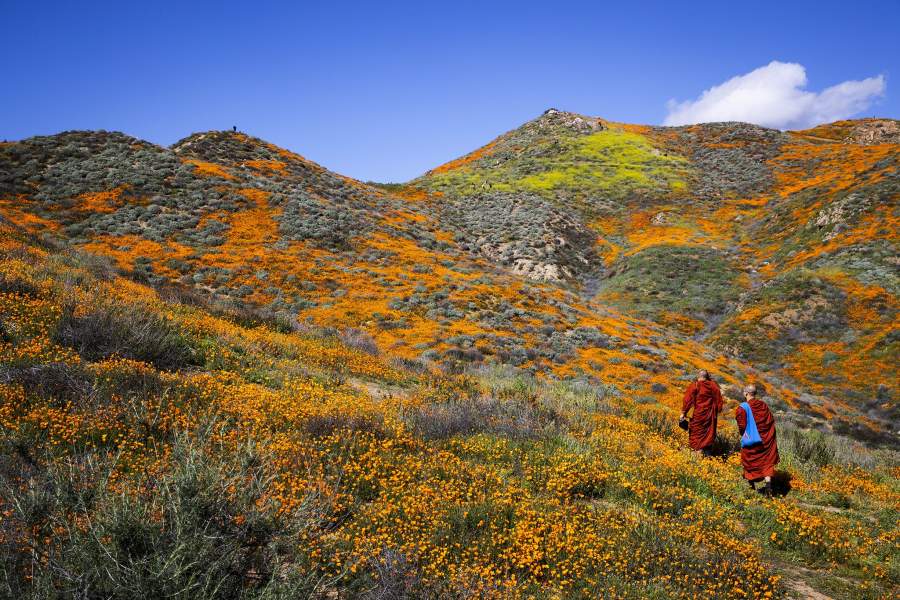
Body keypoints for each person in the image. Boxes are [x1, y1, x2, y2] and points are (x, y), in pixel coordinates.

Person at [735, 384, 779, 495]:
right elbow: (770, 422)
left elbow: (742, 426)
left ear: (746, 393)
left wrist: (744, 434)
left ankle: (751, 486)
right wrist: (768, 436)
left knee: (749, 460)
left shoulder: (743, 407)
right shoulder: (763, 405)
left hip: (752, 440)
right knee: (766, 461)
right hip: (765, 439)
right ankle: (768, 485)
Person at [680, 369, 723, 455]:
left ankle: (696, 453)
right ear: (707, 377)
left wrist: (683, 413)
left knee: (696, 433)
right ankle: (707, 454)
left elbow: (687, 400)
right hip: (709, 415)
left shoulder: (694, 385)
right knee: (708, 433)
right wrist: (717, 409)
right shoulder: (713, 385)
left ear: (698, 376)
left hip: (697, 415)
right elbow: (719, 400)